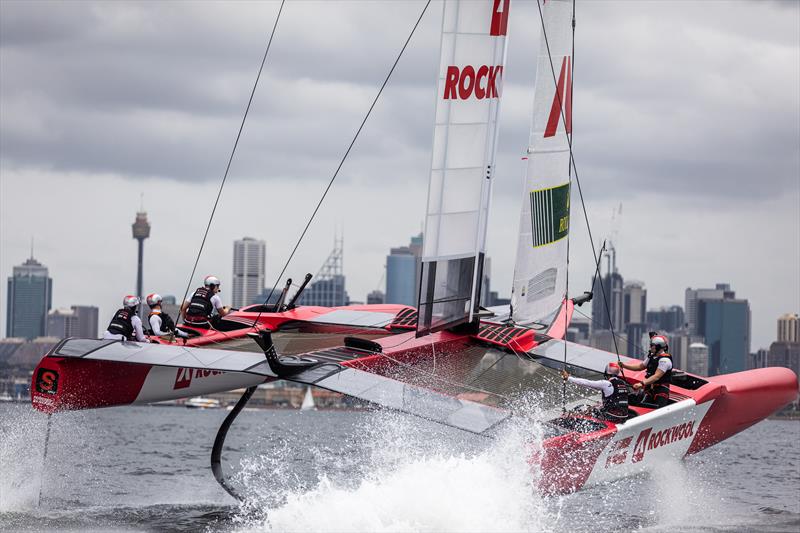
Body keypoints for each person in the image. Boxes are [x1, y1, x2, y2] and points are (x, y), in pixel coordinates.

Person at [560, 362, 630, 422]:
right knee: (598, 406)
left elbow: (587, 383)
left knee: (589, 410)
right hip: (623, 416)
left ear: (606, 373)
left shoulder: (606, 383)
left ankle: (572, 418)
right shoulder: (623, 383)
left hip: (612, 417)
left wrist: (568, 378)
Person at [619, 333, 673, 408]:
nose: (650, 347)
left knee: (657, 411)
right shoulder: (652, 356)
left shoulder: (665, 360)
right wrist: (624, 366)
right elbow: (640, 367)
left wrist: (641, 384)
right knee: (642, 407)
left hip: (661, 391)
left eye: (651, 345)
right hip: (649, 389)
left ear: (658, 347)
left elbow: (656, 377)